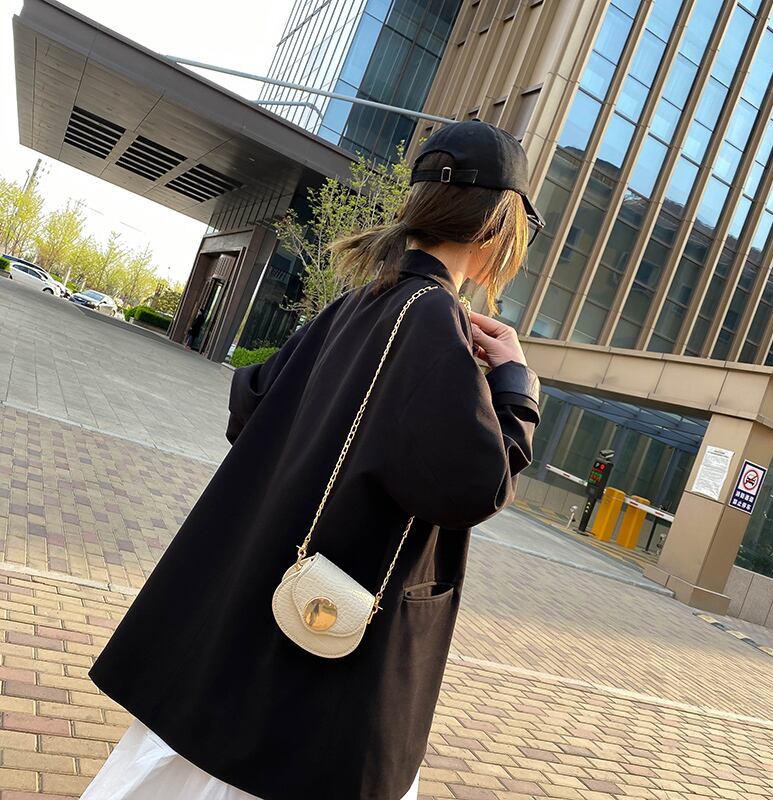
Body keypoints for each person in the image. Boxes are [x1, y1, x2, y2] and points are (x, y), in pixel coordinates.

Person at [81, 120, 542, 800]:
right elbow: (474, 485)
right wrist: (515, 389)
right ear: (499, 225)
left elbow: (251, 402)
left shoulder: (361, 301)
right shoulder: (432, 319)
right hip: (319, 653)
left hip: (246, 614)